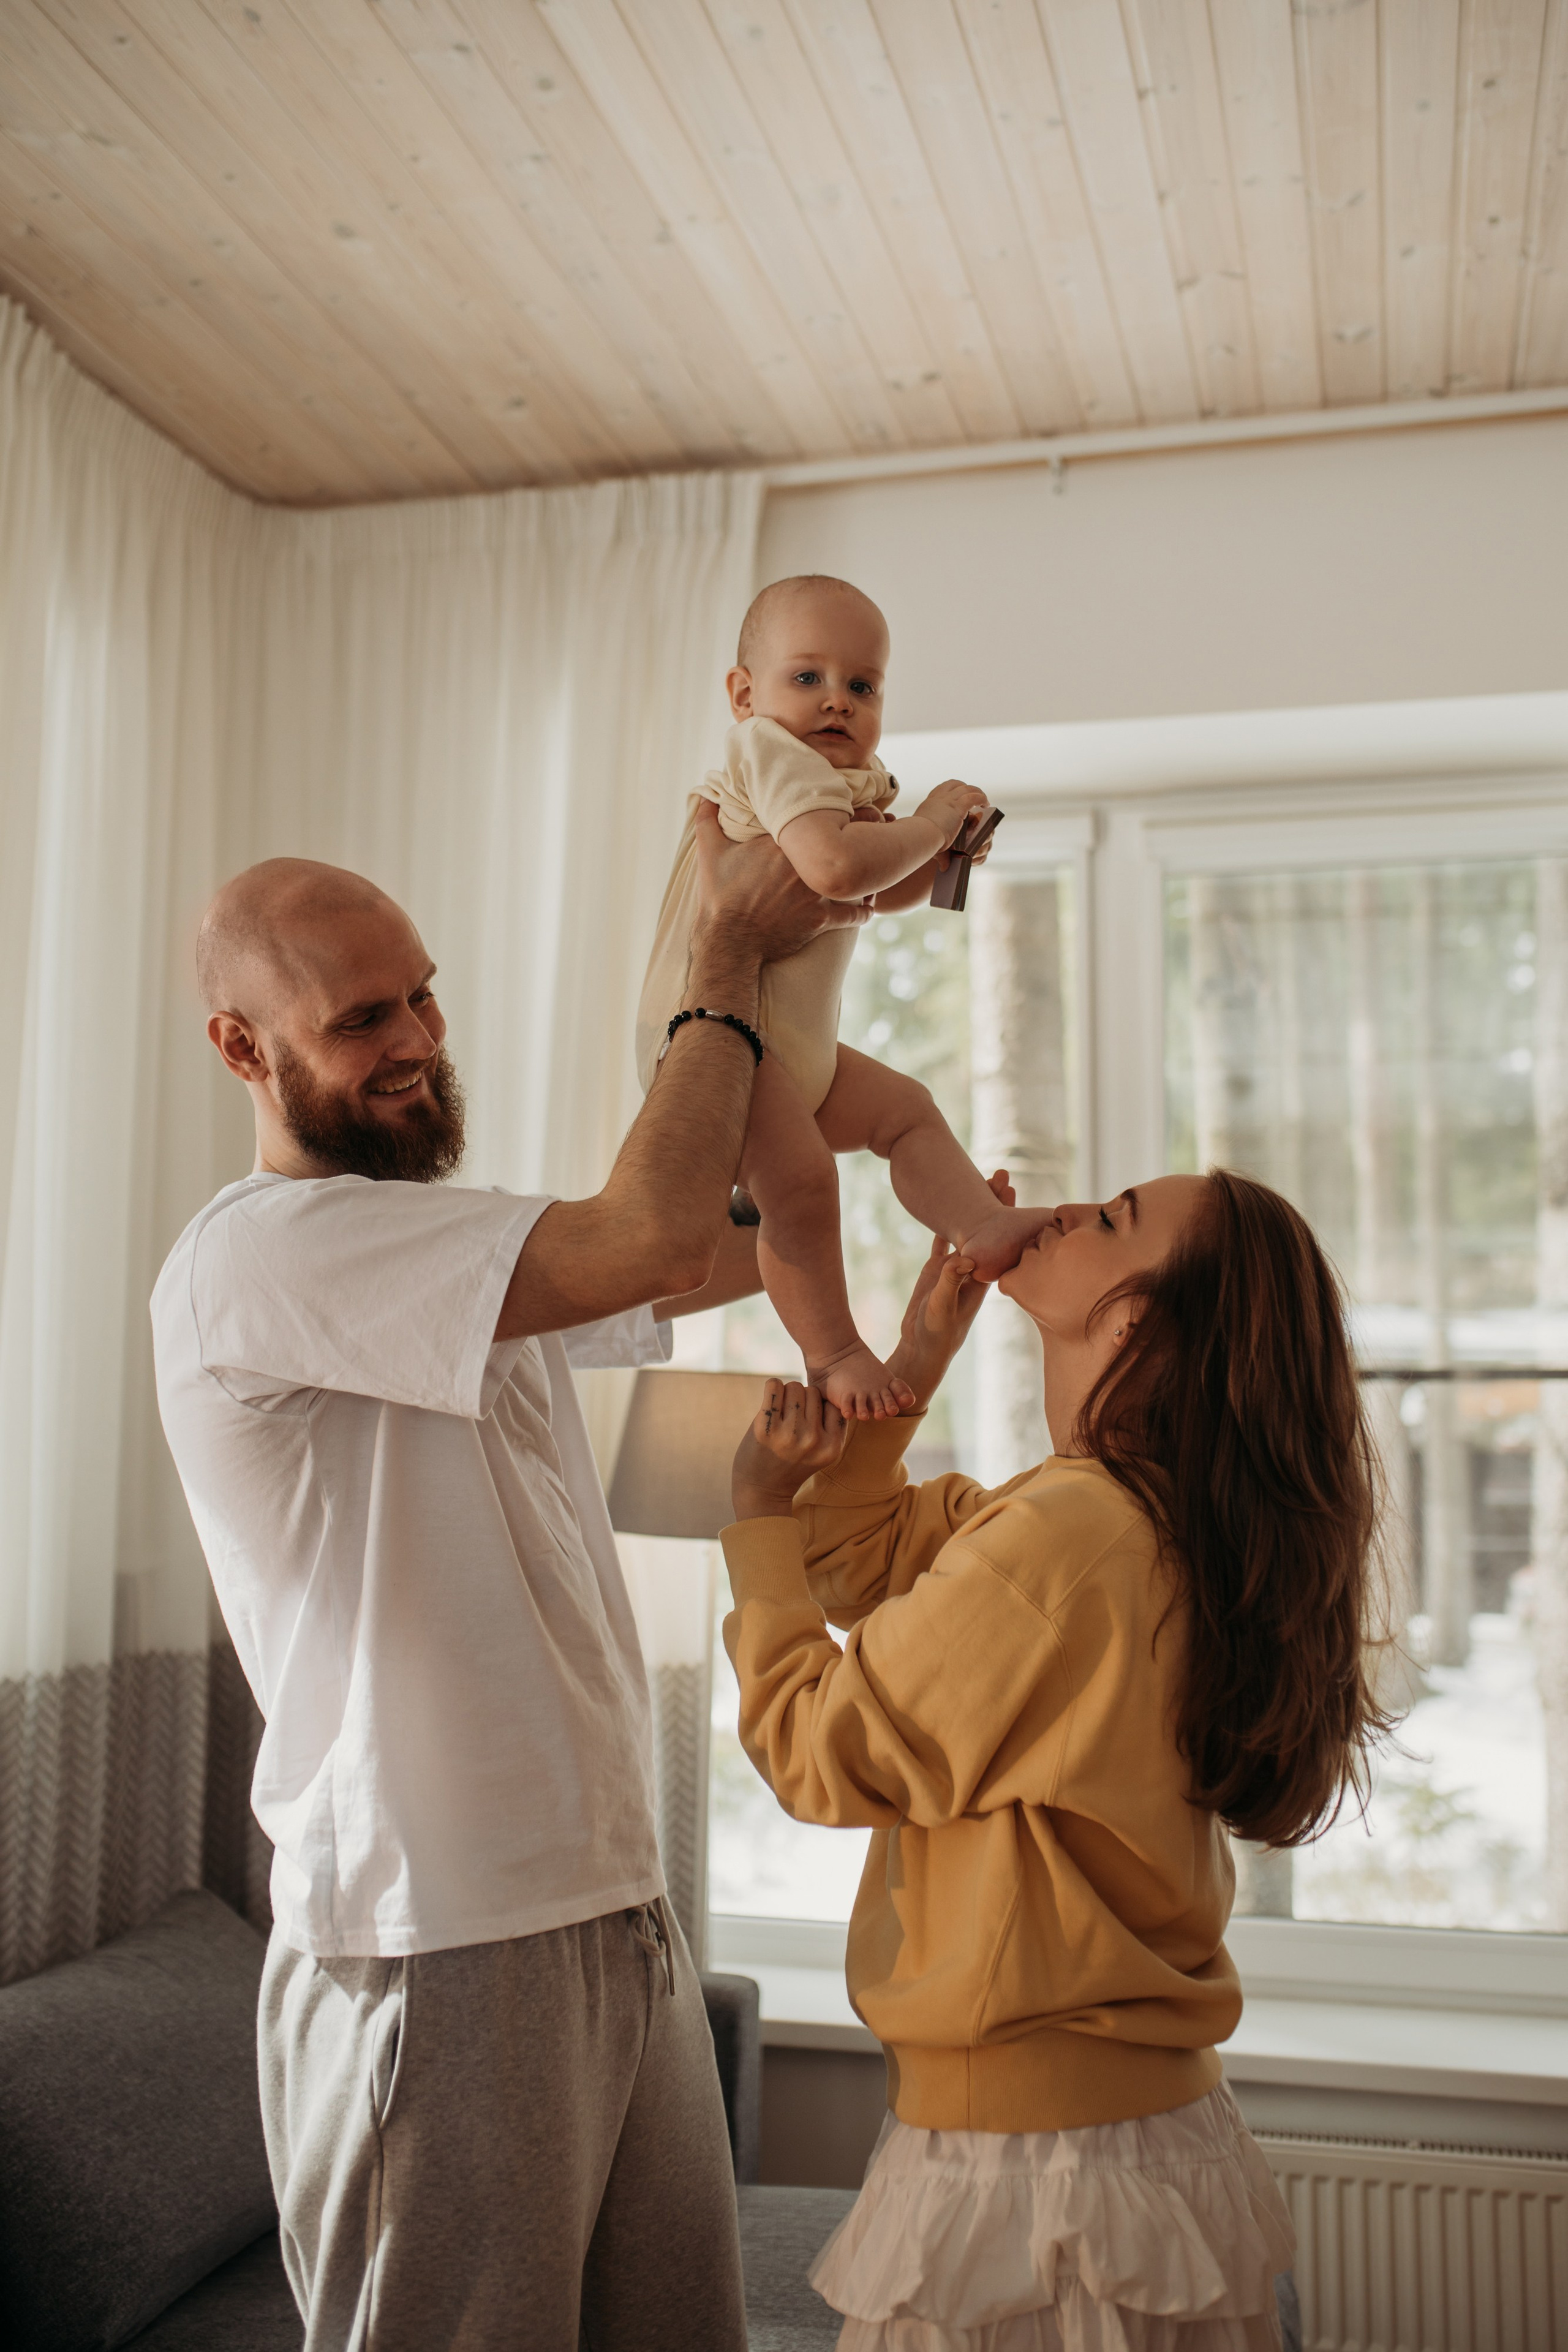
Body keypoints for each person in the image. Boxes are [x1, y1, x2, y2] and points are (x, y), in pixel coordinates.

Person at [150, 816, 865, 2352]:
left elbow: (712, 1250)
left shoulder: (436, 1252)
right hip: (435, 1940)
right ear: (238, 1046)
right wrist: (722, 960)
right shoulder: (260, 1256)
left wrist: (835, 1101)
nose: (415, 1041)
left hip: (608, 1900)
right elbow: (647, 1234)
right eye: (361, 1019)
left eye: (421, 996)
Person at [722, 1171, 1393, 2351]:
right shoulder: (1119, 1517)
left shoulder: (1073, 1536)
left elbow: (816, 1748)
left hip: (1033, 2175)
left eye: (1113, 1219)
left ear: (1132, 1323)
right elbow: (868, 1555)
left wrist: (753, 1520)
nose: (1067, 1212)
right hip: (1131, 2143)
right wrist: (915, 1363)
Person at [636, 573, 1052, 1422]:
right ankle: (831, 1352)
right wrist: (931, 824)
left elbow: (869, 890)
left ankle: (977, 1224)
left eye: (861, 686)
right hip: (713, 1042)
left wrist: (942, 863)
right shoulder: (766, 753)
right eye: (808, 678)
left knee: (906, 1109)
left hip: (789, 1050)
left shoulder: (842, 780)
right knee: (802, 1181)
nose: (837, 702)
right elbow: (833, 869)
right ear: (745, 695)